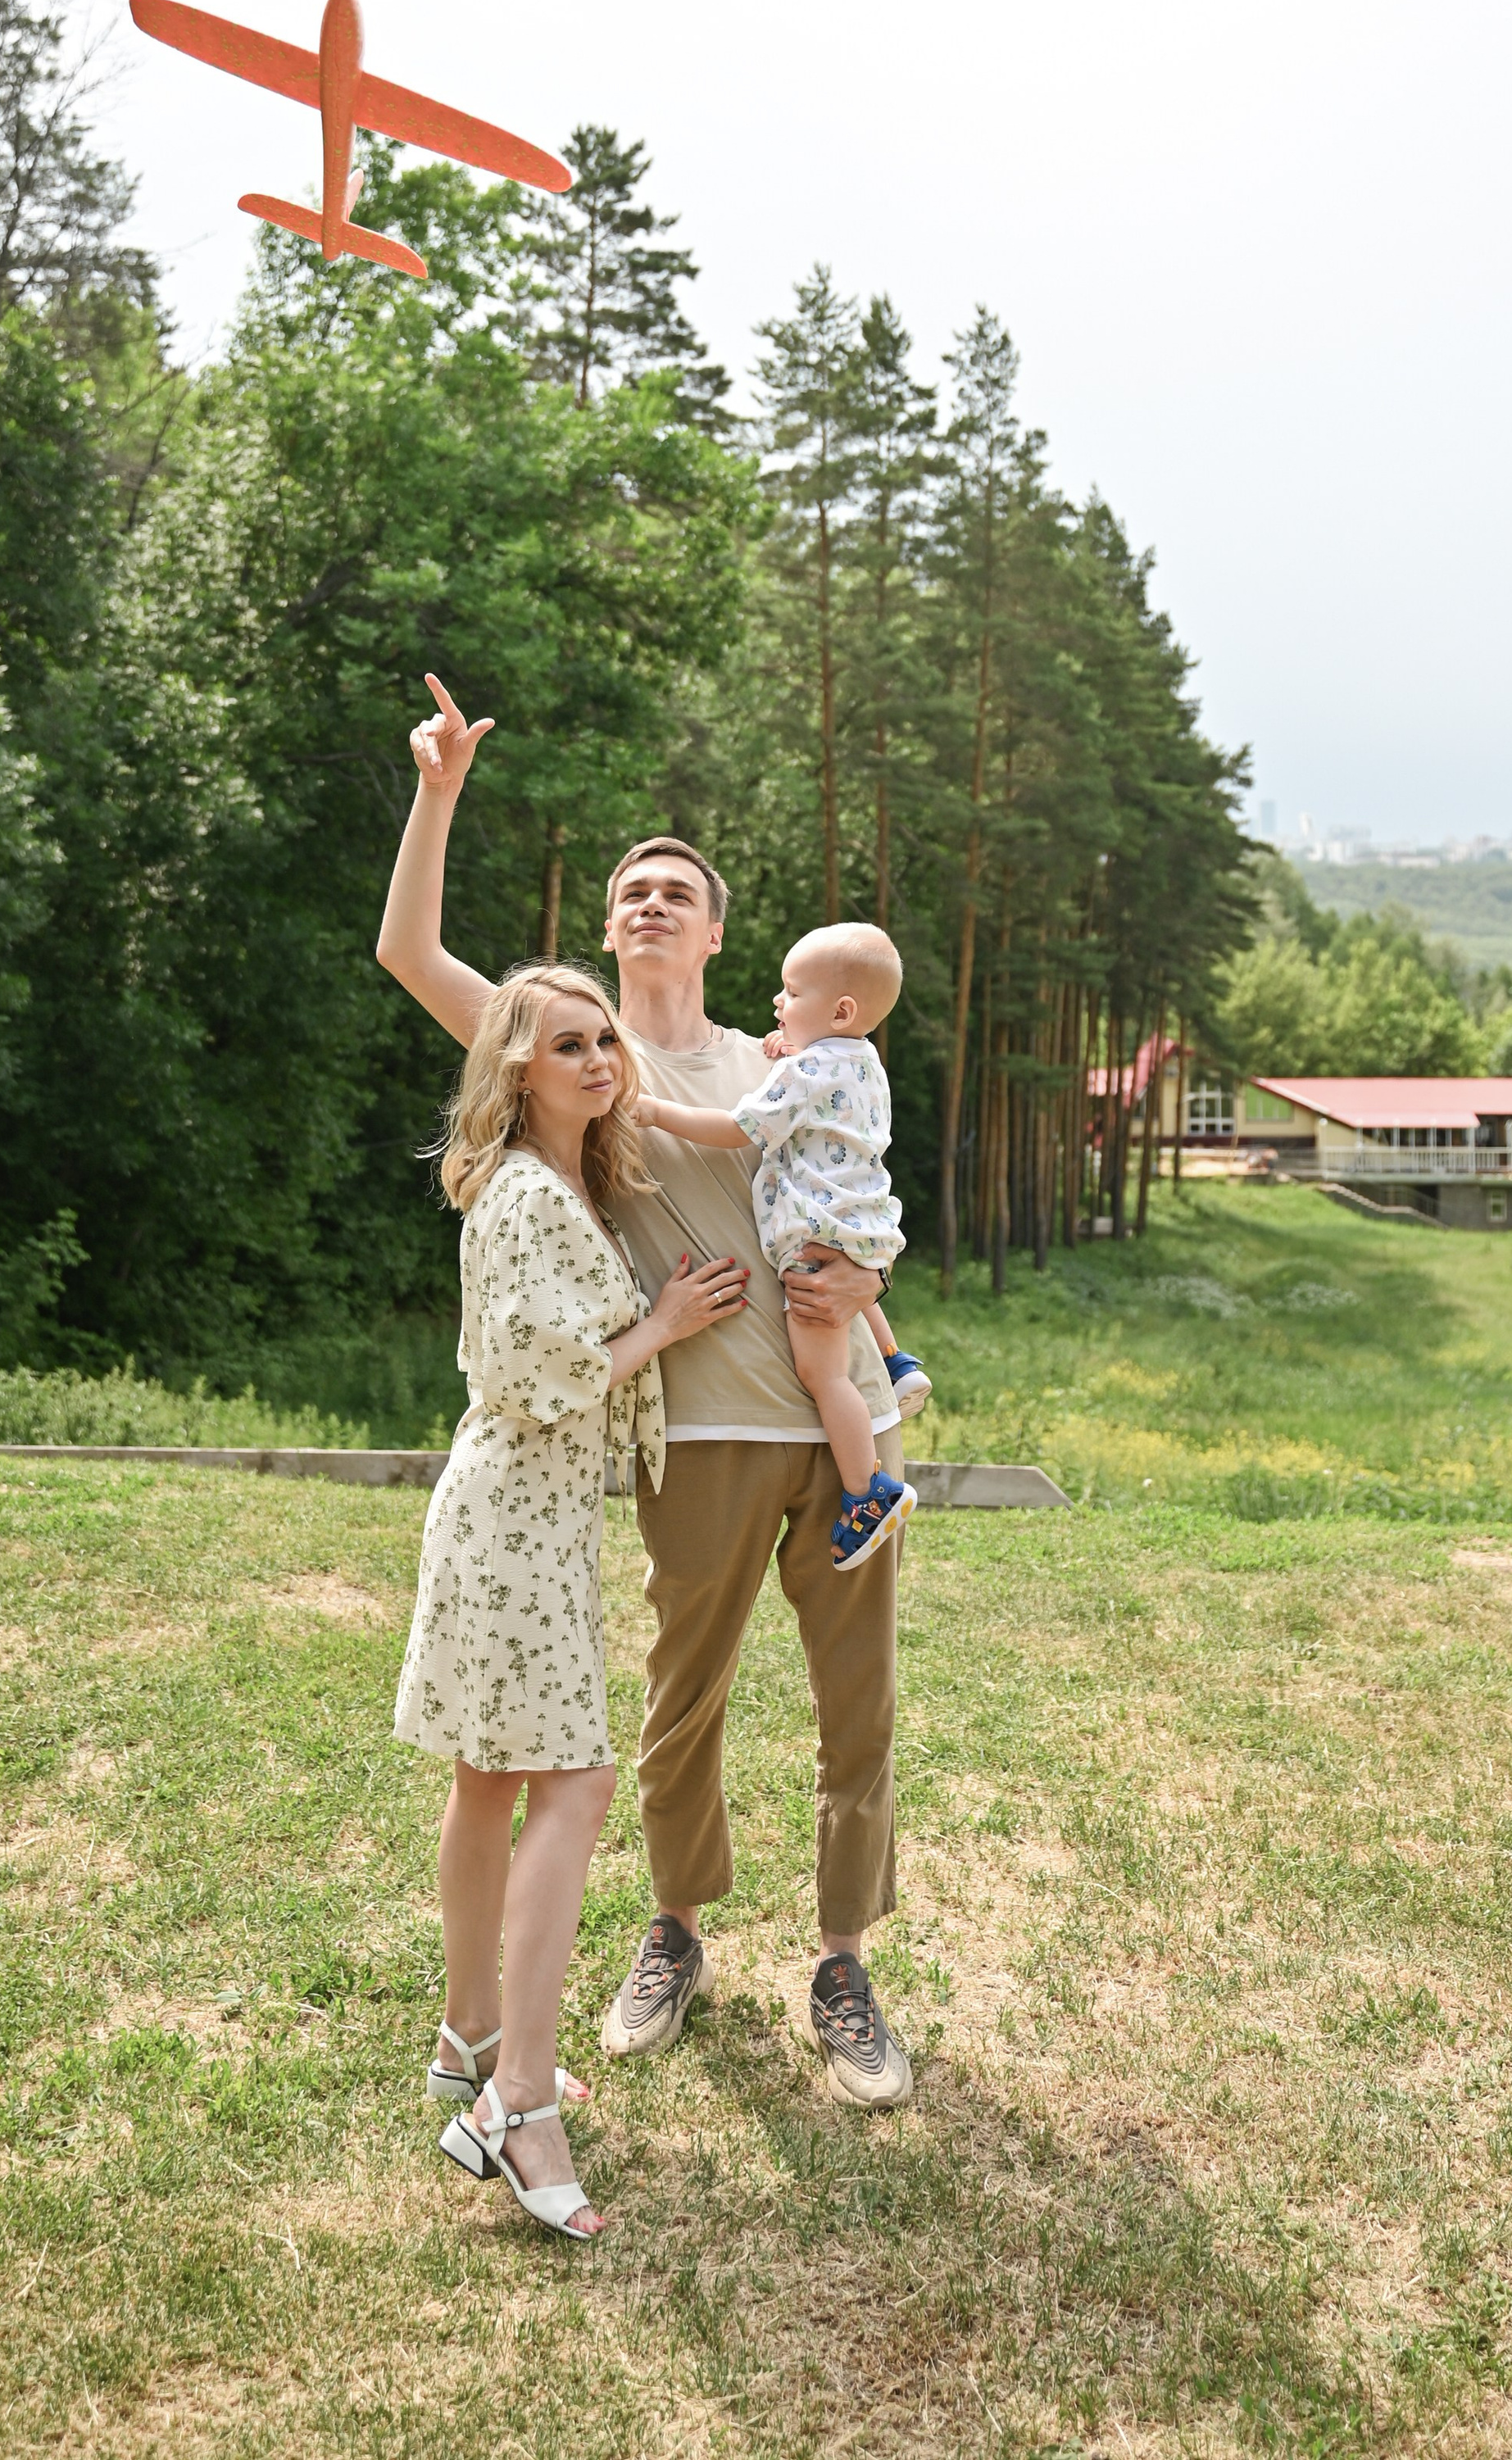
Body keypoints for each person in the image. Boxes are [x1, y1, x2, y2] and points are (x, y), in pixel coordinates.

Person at [376, 674, 918, 2112]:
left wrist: (875, 1302)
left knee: (856, 1709)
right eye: (634, 891)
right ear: (610, 930)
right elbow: (408, 948)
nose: (655, 903)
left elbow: (843, 1194)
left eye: (679, 889)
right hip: (709, 1436)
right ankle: (675, 1933)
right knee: (685, 1709)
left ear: (722, 930)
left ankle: (846, 1964)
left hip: (840, 1418)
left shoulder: (776, 1060)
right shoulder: (570, 1053)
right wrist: (438, 793)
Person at [392, 960, 745, 2239]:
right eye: (567, 1045)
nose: (599, 1059)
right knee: (577, 1782)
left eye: (605, 1039)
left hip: (521, 1515)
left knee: (492, 1776)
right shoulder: (526, 1196)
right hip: (512, 1515)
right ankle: (517, 2101)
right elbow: (528, 1373)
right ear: (517, 1068)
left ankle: (469, 2038)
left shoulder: (558, 1184)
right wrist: (660, 1324)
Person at [635, 920, 917, 1571]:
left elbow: (740, 1128)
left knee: (825, 1375)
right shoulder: (862, 1058)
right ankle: (896, 1360)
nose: (777, 1002)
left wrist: (655, 1111)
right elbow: (822, 1096)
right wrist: (796, 1048)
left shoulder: (811, 1068)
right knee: (850, 1305)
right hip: (862, 1226)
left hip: (815, 1237)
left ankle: (866, 1489)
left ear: (840, 1009)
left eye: (791, 992)